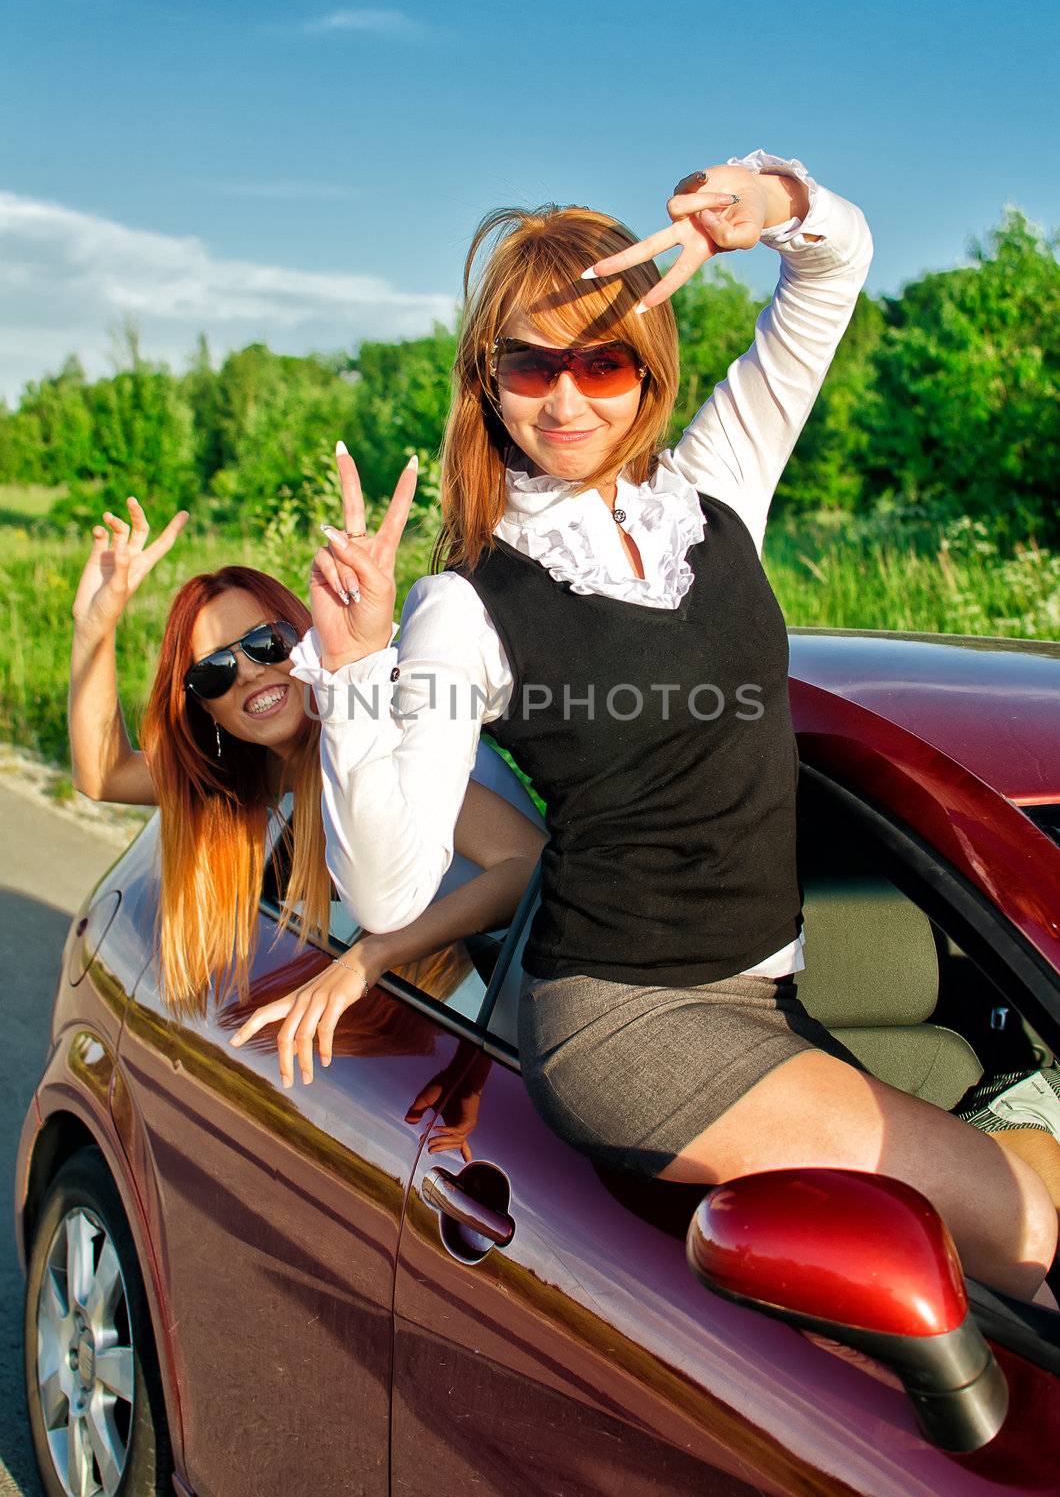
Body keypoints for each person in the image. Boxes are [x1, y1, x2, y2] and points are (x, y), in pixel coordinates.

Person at [285, 149, 1057, 1303]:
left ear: (647, 369)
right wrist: (352, 671)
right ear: (485, 382)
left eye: (602, 360)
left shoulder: (715, 498)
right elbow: (391, 893)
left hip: (772, 992)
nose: (567, 397)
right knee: (1026, 1223)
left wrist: (775, 208)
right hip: (629, 1022)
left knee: (1003, 1266)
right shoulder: (467, 605)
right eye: (530, 364)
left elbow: (833, 273)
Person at [68, 498, 545, 1084]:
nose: (247, 671)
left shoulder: (377, 730)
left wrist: (367, 959)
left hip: (533, 993)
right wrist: (93, 628)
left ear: (305, 641)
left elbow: (527, 864)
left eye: (264, 644)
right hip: (480, 1021)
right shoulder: (265, 771)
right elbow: (104, 774)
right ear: (206, 708)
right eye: (214, 672)